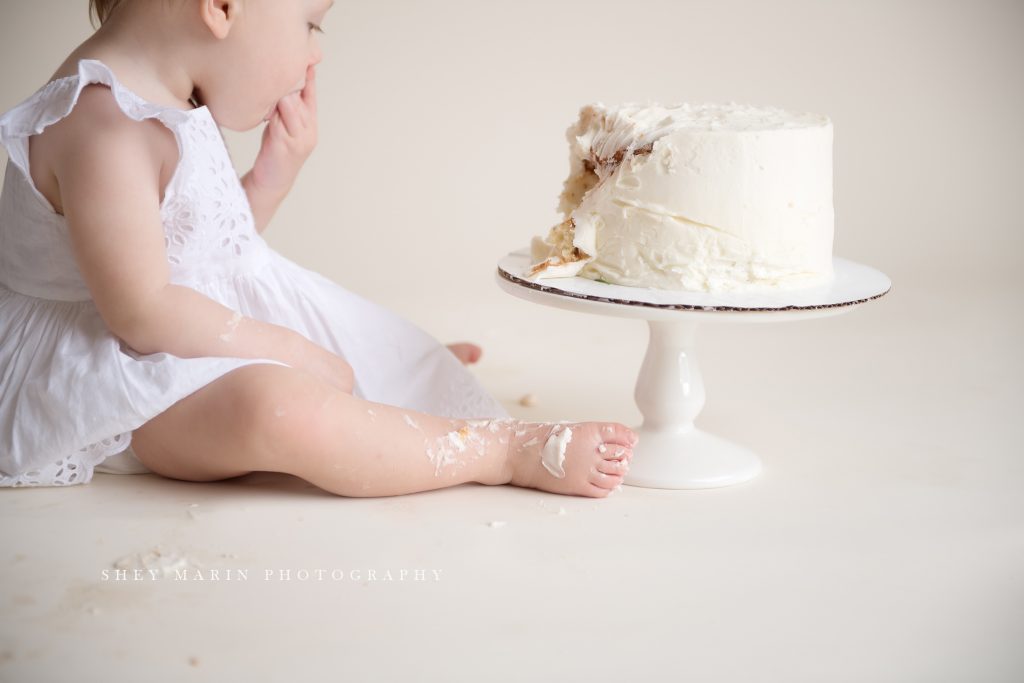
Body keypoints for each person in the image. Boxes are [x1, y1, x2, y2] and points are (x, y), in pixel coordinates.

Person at [0, 0, 637, 496]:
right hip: (112, 377)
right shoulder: (104, 124)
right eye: (311, 24)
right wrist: (293, 351)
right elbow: (141, 309)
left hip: (180, 336)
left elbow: (200, 254)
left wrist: (272, 177)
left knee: (362, 340)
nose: (316, 53)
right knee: (278, 411)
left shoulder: (165, 100)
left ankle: (390, 389)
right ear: (221, 6)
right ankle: (499, 451)